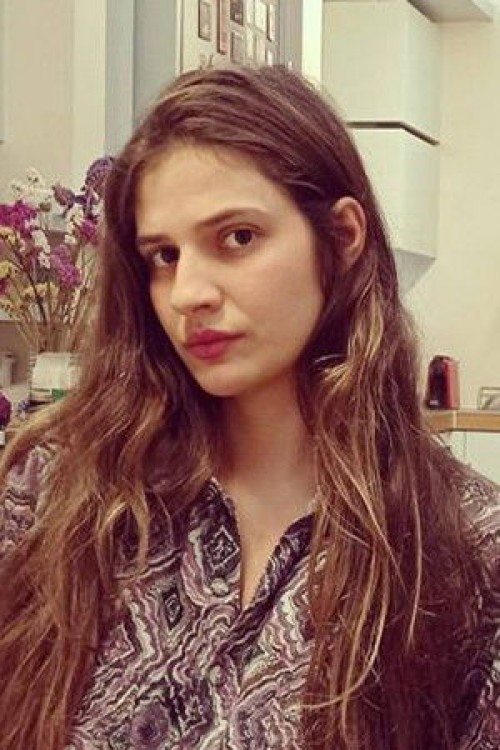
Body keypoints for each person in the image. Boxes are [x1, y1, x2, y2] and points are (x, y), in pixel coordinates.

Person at [0, 64, 499, 750]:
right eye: (163, 256)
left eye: (237, 238)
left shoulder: (467, 552)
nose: (188, 294)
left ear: (341, 239)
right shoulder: (57, 489)